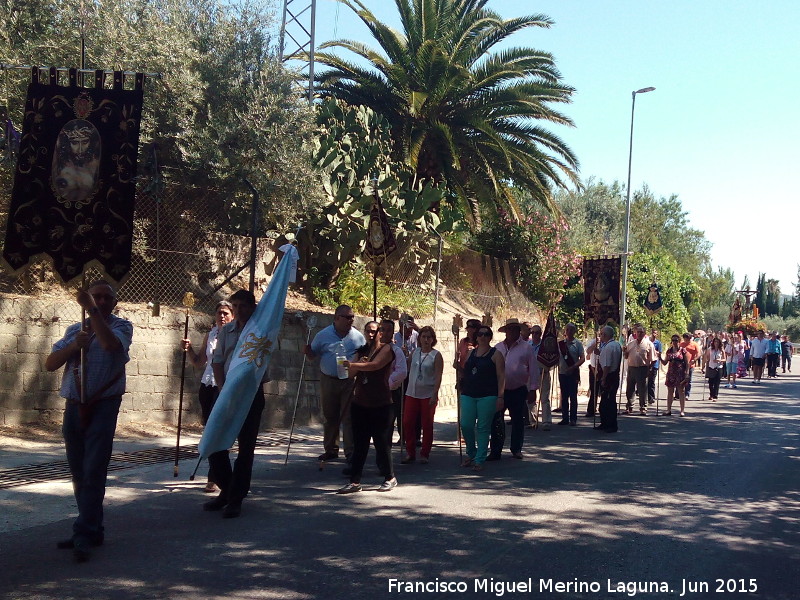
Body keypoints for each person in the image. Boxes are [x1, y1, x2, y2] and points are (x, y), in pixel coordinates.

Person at [46, 280, 133, 562]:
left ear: (114, 303)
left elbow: (109, 345)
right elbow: (50, 363)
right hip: (74, 404)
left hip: (103, 404)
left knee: (94, 468)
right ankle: (92, 527)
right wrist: (74, 346)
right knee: (79, 470)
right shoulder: (75, 330)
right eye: (97, 296)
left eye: (107, 298)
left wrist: (91, 310)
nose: (102, 302)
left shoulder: (121, 327)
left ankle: (83, 532)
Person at [203, 290, 268, 518]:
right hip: (225, 392)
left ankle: (236, 498)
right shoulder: (225, 331)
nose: (239, 310)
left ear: (252, 308)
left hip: (250, 395)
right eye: (236, 306)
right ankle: (227, 489)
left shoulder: (260, 332)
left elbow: (264, 367)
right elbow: (217, 361)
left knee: (245, 448)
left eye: (243, 306)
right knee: (214, 442)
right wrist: (223, 390)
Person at [338, 319, 397, 493]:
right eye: (368, 331)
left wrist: (356, 364)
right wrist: (351, 366)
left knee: (381, 443)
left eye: (376, 331)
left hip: (381, 404)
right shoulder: (362, 350)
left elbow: (375, 365)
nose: (372, 334)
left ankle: (390, 477)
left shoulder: (387, 349)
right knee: (360, 443)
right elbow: (349, 374)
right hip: (360, 403)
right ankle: (355, 481)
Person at [181, 300, 234, 493]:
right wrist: (188, 350)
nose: (222, 316)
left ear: (233, 316)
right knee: (209, 429)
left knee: (217, 430)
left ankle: (215, 477)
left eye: (226, 313)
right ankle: (216, 475)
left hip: (224, 386)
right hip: (207, 386)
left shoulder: (236, 336)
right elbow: (199, 362)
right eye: (219, 313)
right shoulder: (210, 335)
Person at [305, 305, 366, 463]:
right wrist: (308, 352)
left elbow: (364, 357)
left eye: (352, 317)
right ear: (337, 318)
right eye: (347, 317)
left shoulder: (358, 337)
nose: (351, 320)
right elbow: (313, 355)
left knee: (348, 417)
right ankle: (330, 449)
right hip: (329, 379)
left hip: (349, 380)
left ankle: (350, 452)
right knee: (330, 415)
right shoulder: (323, 335)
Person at [489, 318, 539, 460]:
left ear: (519, 330)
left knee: (517, 420)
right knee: (496, 420)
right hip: (499, 390)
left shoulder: (527, 347)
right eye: (509, 329)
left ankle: (516, 448)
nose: (511, 331)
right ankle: (495, 449)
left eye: (514, 329)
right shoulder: (497, 347)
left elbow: (534, 369)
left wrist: (533, 389)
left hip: (518, 389)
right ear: (506, 331)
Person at [460, 325, 505, 470]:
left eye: (486, 334)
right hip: (468, 393)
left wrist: (500, 396)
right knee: (466, 424)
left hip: (488, 395)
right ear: (477, 337)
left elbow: (501, 376)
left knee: (483, 428)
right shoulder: (470, 354)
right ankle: (472, 452)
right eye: (480, 334)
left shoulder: (496, 354)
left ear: (490, 337)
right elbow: (466, 372)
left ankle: (479, 459)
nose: (483, 337)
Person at [402, 326, 443, 464]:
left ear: (433, 339)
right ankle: (410, 451)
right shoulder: (415, 352)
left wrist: (434, 394)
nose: (426, 340)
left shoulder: (436, 355)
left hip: (427, 394)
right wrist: (403, 355)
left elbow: (438, 376)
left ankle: (425, 453)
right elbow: (406, 367)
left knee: (427, 424)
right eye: (424, 337)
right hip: (412, 392)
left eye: (429, 337)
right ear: (419, 338)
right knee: (407, 422)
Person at [623, 324, 658, 415]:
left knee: (642, 389)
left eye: (641, 332)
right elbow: (626, 356)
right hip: (631, 368)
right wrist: (624, 351)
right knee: (630, 389)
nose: (639, 334)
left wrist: (649, 368)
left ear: (644, 333)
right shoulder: (630, 344)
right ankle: (629, 406)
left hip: (643, 368)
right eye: (638, 332)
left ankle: (643, 407)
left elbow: (653, 359)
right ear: (635, 333)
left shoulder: (649, 344)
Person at [595, 326, 621, 433]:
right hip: (615, 375)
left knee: (608, 401)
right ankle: (605, 423)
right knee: (606, 401)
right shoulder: (616, 345)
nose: (600, 336)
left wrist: (603, 378)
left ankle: (610, 424)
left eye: (601, 334)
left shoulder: (609, 347)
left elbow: (607, 365)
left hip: (609, 376)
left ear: (605, 335)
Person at [557, 323, 585, 426]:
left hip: (573, 373)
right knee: (564, 396)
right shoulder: (560, 344)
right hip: (562, 373)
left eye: (571, 330)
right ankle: (565, 418)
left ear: (574, 332)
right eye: (567, 329)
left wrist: (573, 367)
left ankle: (573, 418)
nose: (568, 332)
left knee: (573, 396)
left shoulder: (578, 344)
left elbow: (582, 358)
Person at [663, 334, 690, 416]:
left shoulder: (683, 350)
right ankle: (668, 409)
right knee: (670, 391)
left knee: (681, 391)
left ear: (679, 341)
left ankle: (682, 410)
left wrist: (687, 373)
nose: (674, 342)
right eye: (673, 340)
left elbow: (687, 363)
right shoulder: (669, 350)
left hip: (680, 373)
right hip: (671, 373)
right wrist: (659, 357)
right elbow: (665, 362)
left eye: (676, 340)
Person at [705, 337, 726, 402]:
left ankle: (715, 396)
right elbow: (707, 357)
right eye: (715, 342)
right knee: (711, 382)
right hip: (711, 366)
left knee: (717, 382)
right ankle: (711, 394)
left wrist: (720, 360)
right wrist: (705, 363)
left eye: (717, 342)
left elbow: (724, 359)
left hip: (719, 367)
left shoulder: (721, 350)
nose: (716, 343)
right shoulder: (710, 349)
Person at [680, 333, 700, 399]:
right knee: (680, 379)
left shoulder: (694, 344)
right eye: (685, 339)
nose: (686, 340)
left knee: (688, 380)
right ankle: (679, 394)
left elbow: (698, 354)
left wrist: (694, 360)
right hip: (681, 364)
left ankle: (687, 394)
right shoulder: (681, 344)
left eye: (687, 339)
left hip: (690, 365)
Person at [584, 330, 600, 417]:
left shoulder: (608, 343)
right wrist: (595, 344)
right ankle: (591, 409)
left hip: (603, 369)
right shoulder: (593, 342)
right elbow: (588, 352)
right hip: (593, 368)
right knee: (593, 390)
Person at [647, 329, 663, 406]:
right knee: (645, 381)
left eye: (656, 333)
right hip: (646, 363)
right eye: (653, 333)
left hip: (655, 364)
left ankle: (651, 397)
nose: (654, 334)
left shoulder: (658, 343)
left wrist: (653, 351)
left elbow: (659, 353)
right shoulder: (647, 342)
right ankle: (646, 396)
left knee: (651, 381)